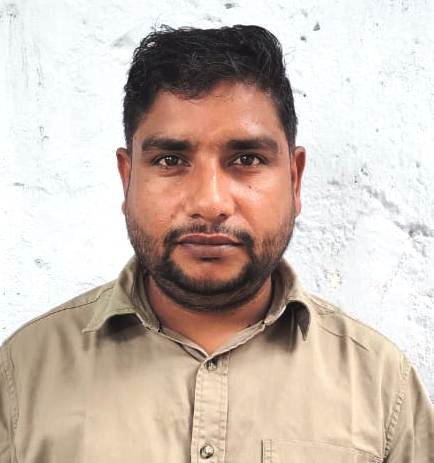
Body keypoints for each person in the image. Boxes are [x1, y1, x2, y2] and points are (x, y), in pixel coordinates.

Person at [0, 25, 432, 463]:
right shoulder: (23, 375)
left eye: (247, 159)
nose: (209, 203)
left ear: (294, 178)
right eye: (171, 160)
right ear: (127, 178)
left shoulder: (382, 387)